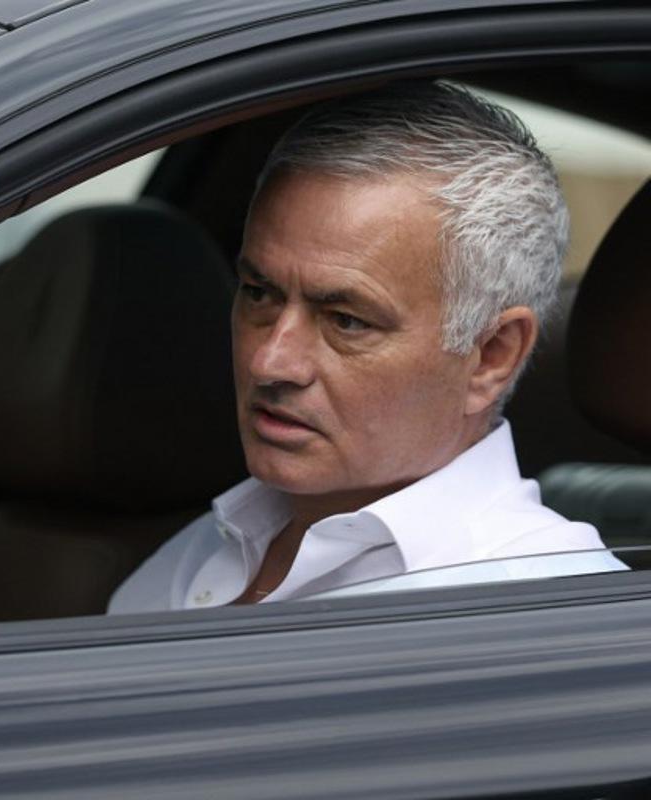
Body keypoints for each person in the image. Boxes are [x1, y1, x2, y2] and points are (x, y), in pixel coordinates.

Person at [109, 81, 624, 614]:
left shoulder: (549, 611)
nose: (270, 362)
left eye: (347, 321)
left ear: (491, 356)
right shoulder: (192, 556)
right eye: (259, 293)